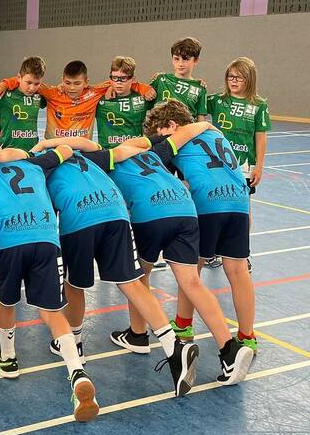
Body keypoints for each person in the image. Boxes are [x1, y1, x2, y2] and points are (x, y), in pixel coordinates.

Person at [36, 138, 201, 396]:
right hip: (115, 211)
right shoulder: (89, 157)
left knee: (74, 284)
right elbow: (108, 148)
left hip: (80, 215)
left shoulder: (40, 165)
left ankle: (75, 343)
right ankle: (173, 345)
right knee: (132, 282)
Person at [99, 124, 255, 385]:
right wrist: (206, 124)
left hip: (169, 210)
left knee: (138, 278)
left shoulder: (114, 157)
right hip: (199, 207)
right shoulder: (163, 150)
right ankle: (231, 348)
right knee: (196, 279)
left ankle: (139, 334)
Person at [0, 145, 99, 420]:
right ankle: (76, 370)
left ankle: (7, 358)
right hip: (46, 238)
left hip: (11, 241)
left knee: (6, 301)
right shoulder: (39, 163)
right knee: (52, 311)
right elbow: (65, 148)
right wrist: (35, 151)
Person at [142, 101, 259, 353]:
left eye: (160, 133)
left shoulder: (178, 137)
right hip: (238, 200)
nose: (159, 139)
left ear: (172, 125)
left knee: (190, 267)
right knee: (238, 270)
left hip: (208, 201)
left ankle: (183, 324)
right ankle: (247, 335)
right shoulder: (215, 133)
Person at [207, 57, 270, 272]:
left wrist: (259, 165)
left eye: (239, 77)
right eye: (230, 77)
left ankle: (243, 253)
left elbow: (260, 137)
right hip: (217, 165)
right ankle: (212, 250)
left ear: (249, 79)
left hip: (243, 166)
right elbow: (193, 103)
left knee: (242, 210)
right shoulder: (217, 101)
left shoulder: (259, 106)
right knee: (214, 206)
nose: (233, 81)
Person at [0, 60, 154, 140]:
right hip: (54, 149)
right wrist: (6, 83)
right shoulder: (52, 93)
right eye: (68, 83)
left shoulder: (94, 92)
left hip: (81, 151)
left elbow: (120, 82)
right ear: (62, 80)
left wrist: (143, 88)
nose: (71, 88)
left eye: (77, 83)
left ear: (86, 82)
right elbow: (27, 81)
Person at [0, 56, 47, 150]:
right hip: (7, 151)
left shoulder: (39, 96)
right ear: (19, 78)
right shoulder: (5, 95)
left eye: (36, 84)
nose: (32, 88)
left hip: (32, 151)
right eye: (28, 82)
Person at [95, 56, 151, 148]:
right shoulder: (98, 98)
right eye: (115, 78)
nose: (118, 82)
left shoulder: (143, 97)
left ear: (133, 79)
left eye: (123, 78)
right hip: (108, 153)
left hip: (135, 151)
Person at [149, 37, 208, 121]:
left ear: (196, 60)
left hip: (187, 129)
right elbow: (142, 98)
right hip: (161, 128)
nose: (180, 64)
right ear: (172, 59)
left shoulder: (200, 88)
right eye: (176, 59)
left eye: (186, 59)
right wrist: (142, 88)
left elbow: (201, 121)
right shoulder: (160, 79)